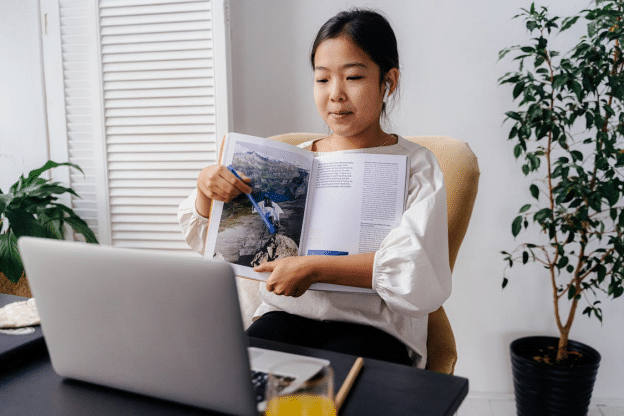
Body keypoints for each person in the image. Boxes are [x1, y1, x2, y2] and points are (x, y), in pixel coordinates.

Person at [178, 8, 451, 368]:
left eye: (353, 77)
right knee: (232, 381)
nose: (335, 94)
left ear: (389, 81)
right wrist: (206, 190)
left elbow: (416, 266)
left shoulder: (417, 165)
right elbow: (212, 245)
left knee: (337, 395)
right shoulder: (290, 162)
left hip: (373, 327)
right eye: (322, 80)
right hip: (286, 316)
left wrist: (314, 268)